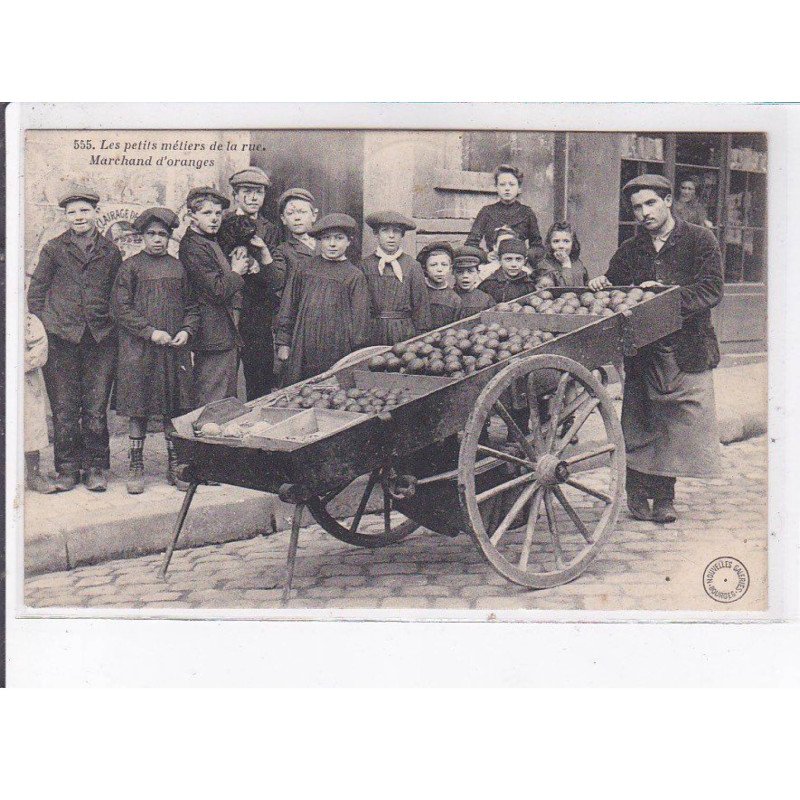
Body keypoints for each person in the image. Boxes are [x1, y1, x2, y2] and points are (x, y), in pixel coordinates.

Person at [588, 174, 724, 524]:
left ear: (667, 201)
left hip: (686, 348)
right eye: (636, 207)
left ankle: (664, 496)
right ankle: (636, 491)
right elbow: (614, 288)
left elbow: (711, 290)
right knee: (639, 419)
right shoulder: (632, 249)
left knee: (673, 425)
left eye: (650, 203)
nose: (643, 212)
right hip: (643, 350)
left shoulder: (700, 239)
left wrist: (666, 295)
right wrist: (603, 283)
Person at [27, 187, 122, 492]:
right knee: (64, 407)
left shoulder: (111, 251)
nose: (79, 217)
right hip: (61, 340)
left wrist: (107, 322)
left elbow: (118, 293)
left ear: (96, 213)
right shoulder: (53, 249)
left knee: (95, 408)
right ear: (65, 217)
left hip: (100, 339)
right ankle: (67, 469)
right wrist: (51, 325)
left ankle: (95, 468)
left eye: (84, 210)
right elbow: (36, 294)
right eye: (72, 212)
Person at [111, 208, 200, 494]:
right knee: (138, 408)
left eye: (163, 234)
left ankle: (174, 466)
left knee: (172, 409)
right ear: (142, 236)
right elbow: (120, 308)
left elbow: (192, 307)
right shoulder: (130, 267)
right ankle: (136, 466)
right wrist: (150, 332)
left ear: (170, 237)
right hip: (139, 350)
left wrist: (186, 330)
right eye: (151, 234)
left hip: (172, 351)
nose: (157, 240)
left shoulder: (178, 268)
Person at [275, 214, 370, 385]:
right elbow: (289, 306)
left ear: (349, 241)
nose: (332, 244)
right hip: (303, 344)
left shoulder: (354, 276)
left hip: (337, 347)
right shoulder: (304, 268)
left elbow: (360, 323)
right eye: (327, 238)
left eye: (339, 238)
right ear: (319, 240)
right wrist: (284, 342)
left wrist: (354, 356)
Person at [179, 187, 251, 406]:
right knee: (212, 398)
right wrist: (237, 271)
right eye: (207, 213)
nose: (214, 219)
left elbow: (242, 227)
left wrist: (241, 247)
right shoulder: (192, 247)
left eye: (218, 213)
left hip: (225, 332)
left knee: (225, 396)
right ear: (192, 217)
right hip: (212, 333)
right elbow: (217, 290)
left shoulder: (211, 240)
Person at [217, 167, 283, 400]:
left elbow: (274, 275)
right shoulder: (219, 223)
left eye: (259, 192)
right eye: (247, 191)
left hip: (257, 312)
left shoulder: (271, 229)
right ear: (235, 193)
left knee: (259, 379)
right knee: (222, 380)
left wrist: (260, 263)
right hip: (224, 310)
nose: (254, 198)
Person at [361, 211, 431, 345]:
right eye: (385, 231)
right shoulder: (365, 266)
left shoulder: (412, 266)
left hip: (405, 332)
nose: (391, 236)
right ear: (376, 234)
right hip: (374, 331)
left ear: (402, 235)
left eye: (396, 231)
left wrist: (420, 338)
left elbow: (421, 307)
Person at [465, 164, 545, 265]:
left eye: (511, 184)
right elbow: (470, 244)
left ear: (519, 188)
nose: (507, 188)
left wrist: (523, 255)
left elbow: (537, 246)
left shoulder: (527, 213)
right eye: (502, 184)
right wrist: (486, 255)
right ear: (496, 187)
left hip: (518, 266)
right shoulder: (487, 212)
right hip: (493, 265)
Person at [24, 307, 57, 493]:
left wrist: (21, 361)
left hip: (23, 377)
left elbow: (39, 344)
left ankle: (33, 474)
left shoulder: (25, 319)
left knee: (30, 422)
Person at [271, 188, 319, 285]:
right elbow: (278, 283)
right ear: (283, 219)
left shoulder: (327, 245)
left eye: (302, 212)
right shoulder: (282, 251)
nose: (297, 218)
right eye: (290, 213)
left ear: (314, 215)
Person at [418, 241, 461, 328]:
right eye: (433, 265)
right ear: (425, 268)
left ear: (450, 268)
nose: (439, 269)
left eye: (444, 265)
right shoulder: (418, 294)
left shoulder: (454, 300)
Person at [480, 237, 537, 302]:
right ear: (500, 260)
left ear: (525, 261)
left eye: (518, 259)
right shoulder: (488, 285)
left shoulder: (529, 285)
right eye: (508, 259)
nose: (513, 264)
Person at [536, 221, 589, 288]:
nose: (561, 246)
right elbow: (565, 291)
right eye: (556, 241)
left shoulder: (578, 264)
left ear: (573, 244)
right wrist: (566, 264)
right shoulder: (545, 266)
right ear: (549, 244)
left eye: (566, 241)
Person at [452, 246, 495, 319]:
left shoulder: (486, 299)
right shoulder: (448, 298)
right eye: (460, 272)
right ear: (453, 273)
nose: (465, 276)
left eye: (470, 271)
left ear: (478, 273)